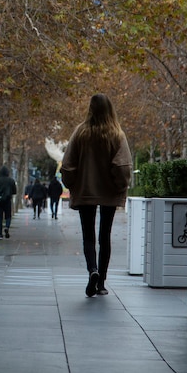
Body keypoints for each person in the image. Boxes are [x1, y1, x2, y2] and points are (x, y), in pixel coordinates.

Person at [60, 93, 132, 297]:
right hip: (108, 192)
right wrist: (120, 185)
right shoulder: (117, 134)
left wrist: (72, 183)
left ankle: (92, 270)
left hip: (86, 191)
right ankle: (101, 282)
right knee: (105, 236)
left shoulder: (80, 132)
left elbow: (67, 164)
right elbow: (122, 165)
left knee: (88, 236)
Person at [0, 166, 17, 239]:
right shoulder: (11, 180)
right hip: (7, 200)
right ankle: (7, 227)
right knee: (8, 216)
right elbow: (14, 191)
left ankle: (0, 234)